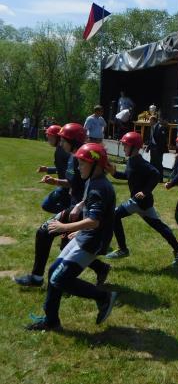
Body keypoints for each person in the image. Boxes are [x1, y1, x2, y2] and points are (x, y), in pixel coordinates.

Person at [26, 143, 117, 331]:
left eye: (83, 164)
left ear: (96, 165)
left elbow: (94, 221)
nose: (78, 167)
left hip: (92, 241)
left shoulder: (99, 187)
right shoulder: (95, 180)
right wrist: (80, 205)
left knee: (60, 279)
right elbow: (90, 203)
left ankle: (104, 297)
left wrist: (64, 226)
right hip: (85, 235)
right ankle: (51, 320)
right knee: (53, 273)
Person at [14, 123, 110, 288]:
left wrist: (80, 209)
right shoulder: (74, 158)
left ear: (73, 141)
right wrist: (55, 181)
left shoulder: (85, 160)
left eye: (64, 140)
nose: (61, 143)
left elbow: (94, 190)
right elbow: (73, 182)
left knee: (56, 239)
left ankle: (50, 281)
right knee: (47, 234)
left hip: (81, 210)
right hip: (73, 207)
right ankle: (39, 278)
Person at [105, 132, 178, 264]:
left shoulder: (140, 162)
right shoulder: (131, 161)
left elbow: (156, 174)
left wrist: (145, 191)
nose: (123, 148)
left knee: (114, 215)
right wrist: (114, 173)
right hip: (143, 203)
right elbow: (128, 176)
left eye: (126, 146)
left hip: (139, 201)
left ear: (134, 147)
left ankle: (123, 249)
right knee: (159, 226)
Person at [38, 124, 71, 214]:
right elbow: (61, 168)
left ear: (57, 137)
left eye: (49, 136)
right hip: (64, 185)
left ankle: (67, 214)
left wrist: (55, 180)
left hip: (66, 186)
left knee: (47, 205)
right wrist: (47, 169)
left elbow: (67, 170)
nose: (47, 138)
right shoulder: (60, 150)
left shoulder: (61, 151)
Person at [146, 115, 168, 182]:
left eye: (150, 120)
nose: (149, 122)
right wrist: (148, 147)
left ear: (153, 120)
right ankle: (153, 177)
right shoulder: (152, 128)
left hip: (158, 149)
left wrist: (158, 148)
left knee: (158, 164)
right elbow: (151, 139)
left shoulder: (160, 127)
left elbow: (163, 140)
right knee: (152, 163)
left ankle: (160, 179)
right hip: (153, 148)